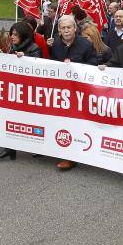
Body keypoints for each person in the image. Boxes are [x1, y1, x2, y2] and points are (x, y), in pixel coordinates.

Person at [48, 15, 96, 170]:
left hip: (79, 92)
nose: (66, 30)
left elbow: (94, 65)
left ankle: (74, 155)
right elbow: (45, 64)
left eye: (69, 27)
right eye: (63, 28)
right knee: (61, 122)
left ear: (75, 28)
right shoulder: (54, 44)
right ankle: (63, 152)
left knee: (76, 124)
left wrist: (75, 66)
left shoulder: (86, 45)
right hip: (60, 92)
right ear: (59, 30)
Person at [0, 21, 42, 161]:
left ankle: (38, 147)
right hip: (15, 90)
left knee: (30, 121)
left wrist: (26, 59)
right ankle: (10, 149)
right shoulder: (13, 47)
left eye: (15, 34)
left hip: (29, 91)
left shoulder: (34, 48)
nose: (12, 37)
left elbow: (39, 68)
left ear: (24, 36)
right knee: (11, 118)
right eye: (11, 34)